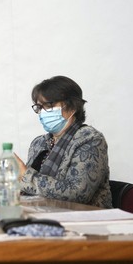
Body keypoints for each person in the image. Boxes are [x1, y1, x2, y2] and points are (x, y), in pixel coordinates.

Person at [20, 76, 111, 208]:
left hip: (86, 221)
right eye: (39, 107)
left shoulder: (90, 139)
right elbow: (27, 189)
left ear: (72, 105)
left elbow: (78, 194)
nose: (43, 112)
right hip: (42, 216)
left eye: (49, 105)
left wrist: (25, 176)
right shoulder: (39, 143)